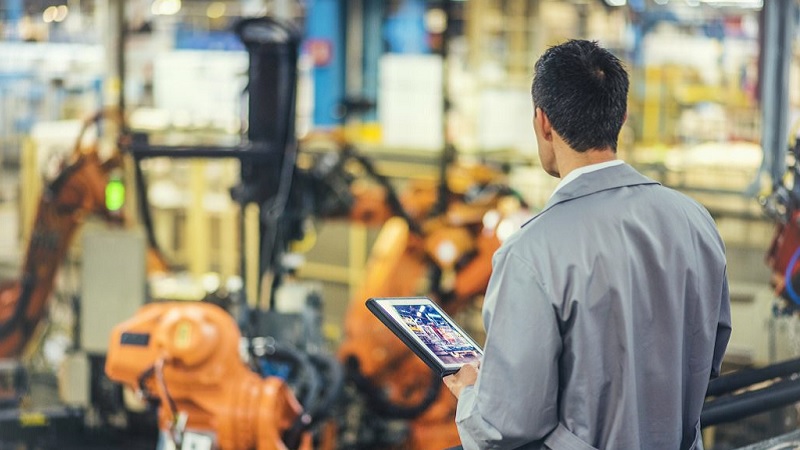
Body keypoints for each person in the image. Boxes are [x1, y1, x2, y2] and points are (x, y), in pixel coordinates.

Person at [442, 39, 731, 450]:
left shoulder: (531, 252)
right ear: (622, 116)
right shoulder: (695, 220)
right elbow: (710, 355)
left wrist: (472, 392)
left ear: (543, 123)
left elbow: (505, 425)